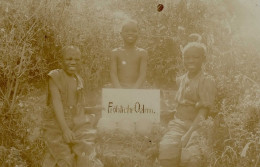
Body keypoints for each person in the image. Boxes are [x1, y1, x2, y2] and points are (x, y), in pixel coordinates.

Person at [42, 46, 103, 167]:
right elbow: (57, 103)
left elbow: (78, 106)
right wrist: (64, 129)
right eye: (69, 59)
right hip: (58, 123)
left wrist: (93, 108)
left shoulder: (78, 79)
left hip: (76, 122)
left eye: (77, 59)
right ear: (61, 61)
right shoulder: (55, 76)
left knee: (86, 148)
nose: (73, 62)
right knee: (62, 154)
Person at [159, 42, 216, 167]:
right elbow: (181, 105)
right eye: (187, 57)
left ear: (203, 59)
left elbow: (203, 114)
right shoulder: (181, 79)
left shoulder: (206, 80)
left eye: (195, 57)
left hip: (198, 127)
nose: (191, 61)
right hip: (178, 124)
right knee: (166, 155)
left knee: (191, 160)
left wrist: (188, 135)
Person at [110, 19, 148, 89]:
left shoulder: (142, 53)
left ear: (138, 33)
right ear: (121, 34)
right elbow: (113, 74)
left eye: (134, 31)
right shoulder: (115, 52)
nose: (130, 33)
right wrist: (120, 90)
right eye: (127, 31)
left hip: (137, 89)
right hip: (119, 89)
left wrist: (133, 90)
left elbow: (142, 75)